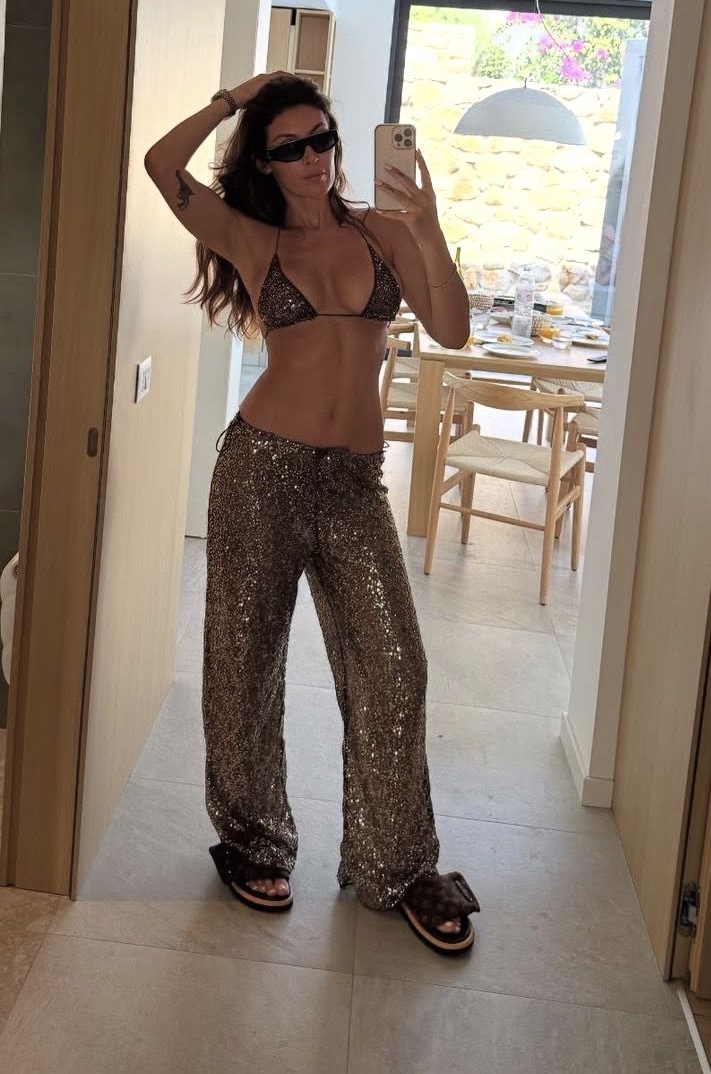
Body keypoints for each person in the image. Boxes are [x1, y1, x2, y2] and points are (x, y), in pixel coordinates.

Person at [144, 71, 480, 955]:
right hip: (262, 469)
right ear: (264, 160)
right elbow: (160, 165)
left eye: (322, 138)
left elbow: (451, 328)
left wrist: (429, 225)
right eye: (289, 146)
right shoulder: (251, 237)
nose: (312, 158)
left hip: (353, 485)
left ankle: (396, 864)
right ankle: (254, 839)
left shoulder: (383, 231)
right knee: (244, 661)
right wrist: (229, 101)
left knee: (395, 665)